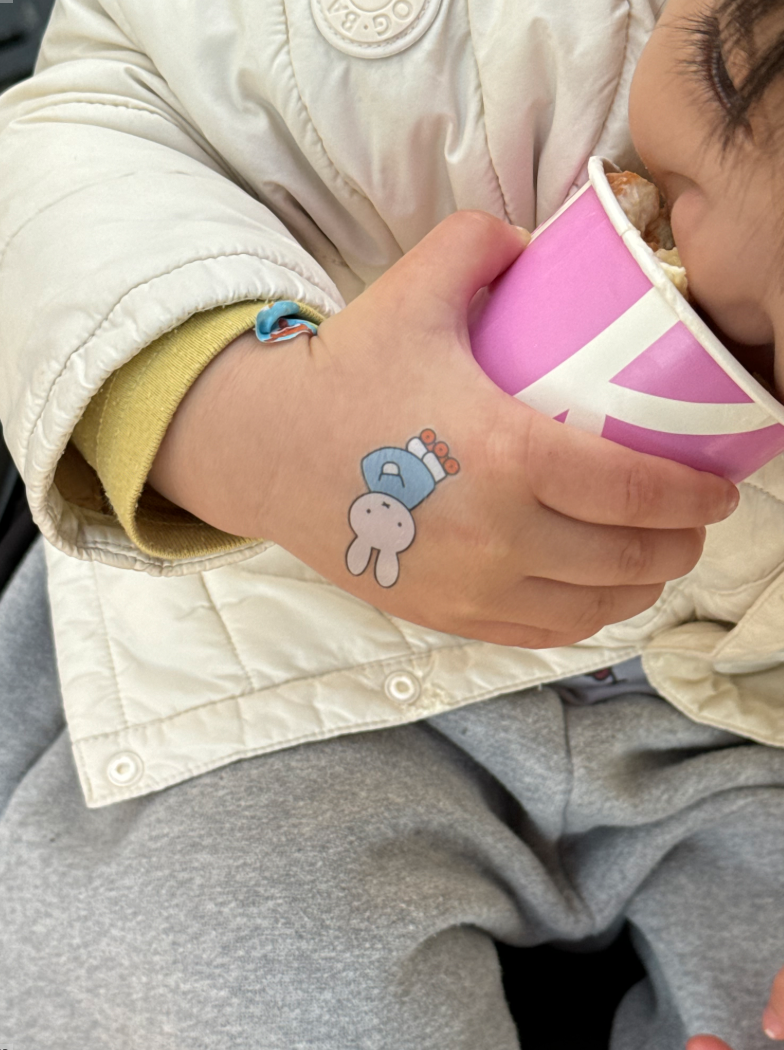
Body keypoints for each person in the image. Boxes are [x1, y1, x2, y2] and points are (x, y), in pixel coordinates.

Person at [1, 0, 784, 1045]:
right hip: (293, 671)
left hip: (738, 727)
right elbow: (88, 126)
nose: (725, 277)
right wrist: (265, 428)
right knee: (216, 971)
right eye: (723, 83)